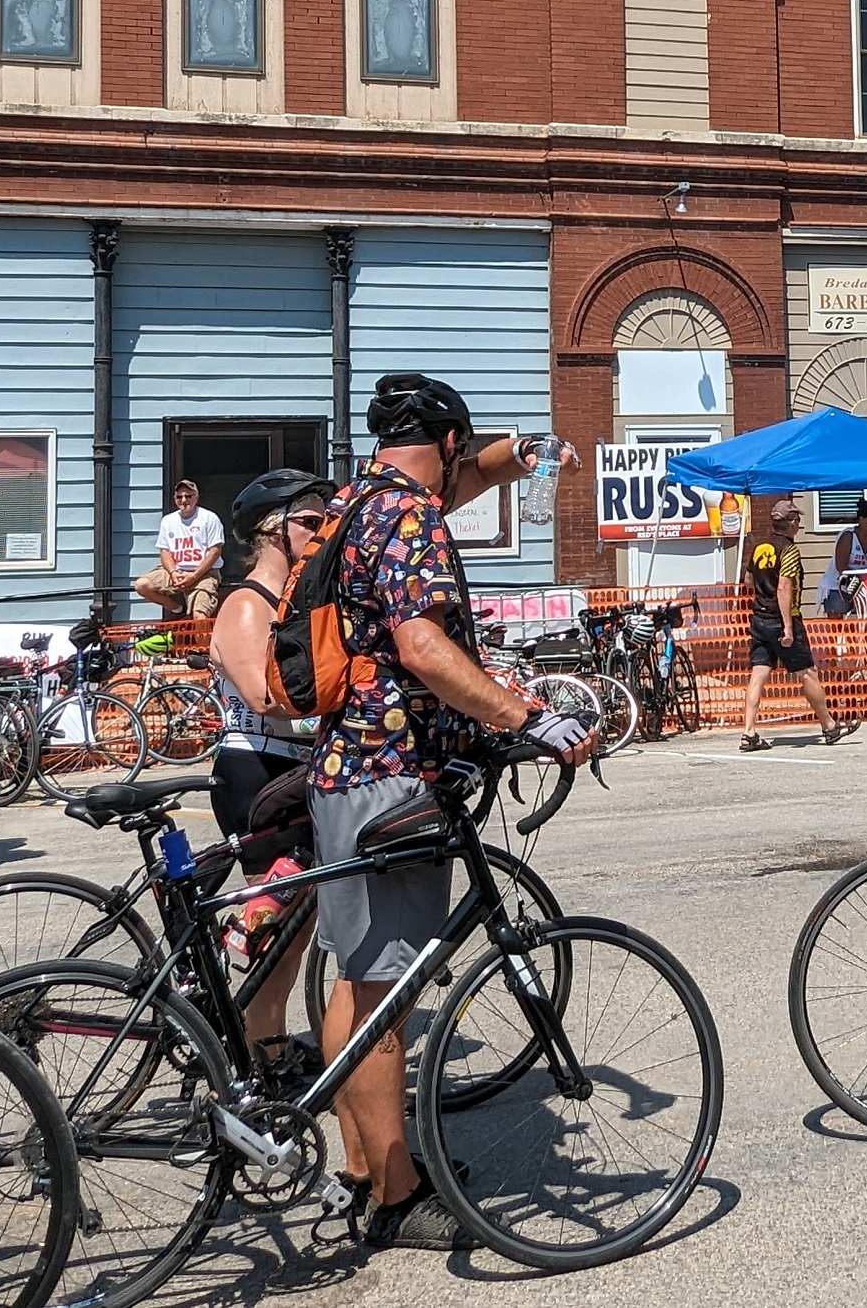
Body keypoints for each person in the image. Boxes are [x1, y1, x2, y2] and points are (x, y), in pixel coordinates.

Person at [309, 374, 594, 1250]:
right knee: (388, 996)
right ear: (445, 442)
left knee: (356, 983)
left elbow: (465, 477)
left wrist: (524, 452)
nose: (464, 473)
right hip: (391, 777)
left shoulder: (357, 499)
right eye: (463, 453)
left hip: (344, 770)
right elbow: (423, 644)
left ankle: (365, 1164)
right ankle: (398, 1197)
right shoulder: (409, 517)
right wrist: (527, 716)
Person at [207, 467, 331, 1048]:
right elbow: (265, 698)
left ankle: (268, 1041)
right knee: (274, 930)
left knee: (291, 928)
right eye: (310, 521)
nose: (321, 529)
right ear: (273, 529)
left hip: (288, 768)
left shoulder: (291, 602)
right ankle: (260, 1058)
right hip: (255, 770)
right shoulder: (247, 603)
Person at [738, 498, 856, 751]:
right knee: (807, 671)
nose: (799, 525)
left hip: (759, 618)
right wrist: (788, 626)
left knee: (759, 672)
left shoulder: (760, 546)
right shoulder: (789, 550)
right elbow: (784, 587)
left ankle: (748, 732)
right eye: (797, 520)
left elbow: (748, 579)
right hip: (782, 619)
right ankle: (829, 726)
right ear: (790, 523)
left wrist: (762, 587)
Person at [134, 479, 225, 620]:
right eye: (179, 497)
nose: (184, 500)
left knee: (200, 616)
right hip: (177, 571)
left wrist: (194, 576)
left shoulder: (209, 518)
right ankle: (178, 610)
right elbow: (164, 551)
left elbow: (215, 551)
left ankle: (205, 643)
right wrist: (173, 573)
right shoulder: (168, 521)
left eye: (188, 496)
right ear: (175, 499)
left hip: (204, 573)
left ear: (197, 497)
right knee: (142, 585)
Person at [822, 499, 867, 615]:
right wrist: (856, 579)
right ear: (861, 520)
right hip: (838, 587)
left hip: (862, 589)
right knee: (837, 623)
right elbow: (840, 566)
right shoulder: (848, 536)